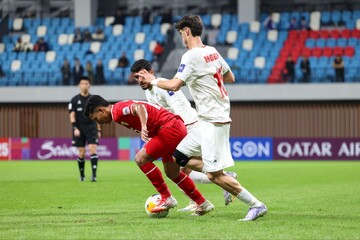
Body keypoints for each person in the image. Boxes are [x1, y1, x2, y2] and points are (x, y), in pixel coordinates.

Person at [136, 15, 267, 221]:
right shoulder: (212, 52)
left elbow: (174, 85)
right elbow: (230, 77)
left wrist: (153, 80)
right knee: (180, 156)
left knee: (214, 175)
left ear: (187, 31)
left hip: (213, 121)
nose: (181, 37)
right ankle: (223, 176)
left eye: (181, 33)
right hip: (206, 120)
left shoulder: (191, 56)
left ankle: (256, 205)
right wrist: (204, 78)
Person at [131, 59, 238, 210]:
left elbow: (179, 107)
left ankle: (225, 179)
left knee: (180, 171)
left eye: (142, 75)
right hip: (180, 128)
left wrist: (181, 130)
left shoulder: (162, 84)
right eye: (137, 77)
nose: (140, 80)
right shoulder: (150, 92)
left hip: (188, 127)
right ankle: (198, 200)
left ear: (151, 73)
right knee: (181, 172)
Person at [84, 95, 214, 216]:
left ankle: (166, 197)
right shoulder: (118, 108)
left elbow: (138, 107)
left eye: (95, 118)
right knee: (172, 173)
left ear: (100, 110)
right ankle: (202, 203)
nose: (98, 122)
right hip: (174, 128)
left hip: (169, 129)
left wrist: (144, 125)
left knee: (140, 159)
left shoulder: (117, 111)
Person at [68, 76, 101, 182]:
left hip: (91, 127)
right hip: (79, 128)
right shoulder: (74, 100)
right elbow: (72, 115)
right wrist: (74, 128)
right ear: (79, 85)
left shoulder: (94, 100)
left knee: (92, 149)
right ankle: (82, 175)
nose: (84, 85)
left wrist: (99, 130)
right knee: (81, 153)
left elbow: (98, 116)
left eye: (86, 83)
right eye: (82, 84)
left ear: (89, 85)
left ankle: (94, 175)